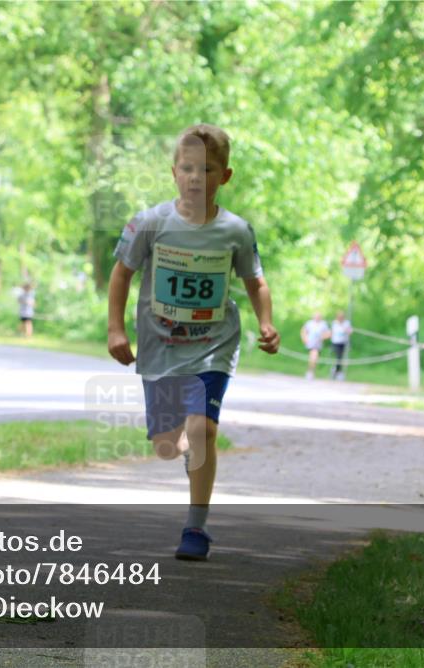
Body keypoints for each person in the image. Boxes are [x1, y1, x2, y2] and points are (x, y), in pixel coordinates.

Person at [107, 124, 280, 561]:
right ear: (173, 172)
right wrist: (115, 329)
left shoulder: (236, 231)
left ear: (226, 176)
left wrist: (267, 323)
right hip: (160, 346)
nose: (196, 177)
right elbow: (122, 274)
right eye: (187, 168)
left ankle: (196, 528)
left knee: (202, 429)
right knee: (168, 444)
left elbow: (256, 281)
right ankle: (185, 449)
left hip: (213, 345)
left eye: (207, 168)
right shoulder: (149, 224)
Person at [300, 312, 330, 380]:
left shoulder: (323, 324)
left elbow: (328, 333)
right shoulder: (309, 323)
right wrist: (304, 339)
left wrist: (322, 337)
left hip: (318, 344)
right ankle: (310, 372)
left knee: (314, 357)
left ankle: (310, 371)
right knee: (313, 356)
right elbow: (303, 331)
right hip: (310, 343)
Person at [329, 311, 352, 380]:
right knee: (338, 357)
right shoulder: (334, 323)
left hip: (343, 342)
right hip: (335, 342)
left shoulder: (347, 323)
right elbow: (332, 332)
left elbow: (350, 331)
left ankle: (336, 371)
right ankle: (337, 371)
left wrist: (345, 328)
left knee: (341, 358)